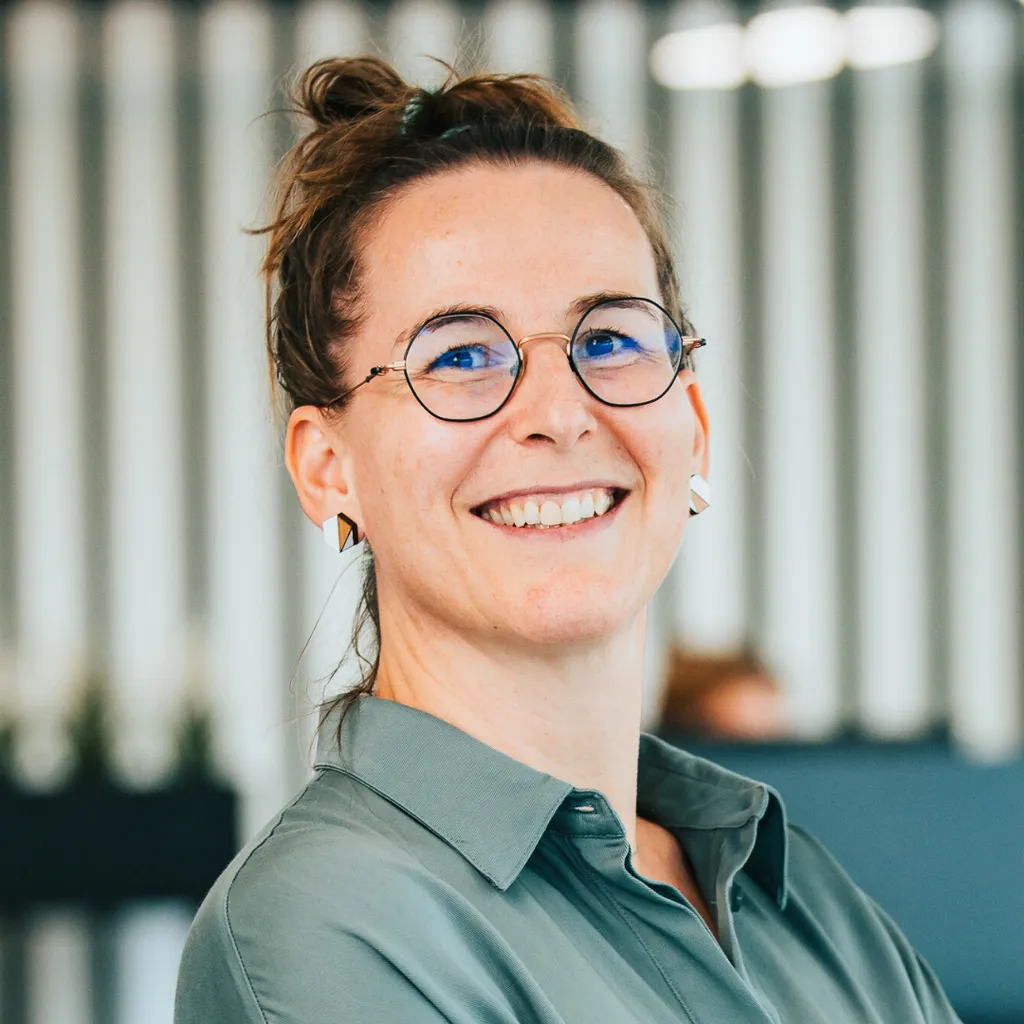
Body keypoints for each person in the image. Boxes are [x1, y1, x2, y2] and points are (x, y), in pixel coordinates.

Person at [174, 56, 962, 1024]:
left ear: (694, 424)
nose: (560, 410)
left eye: (608, 339)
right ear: (326, 466)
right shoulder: (328, 926)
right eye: (459, 354)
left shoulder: (802, 897)